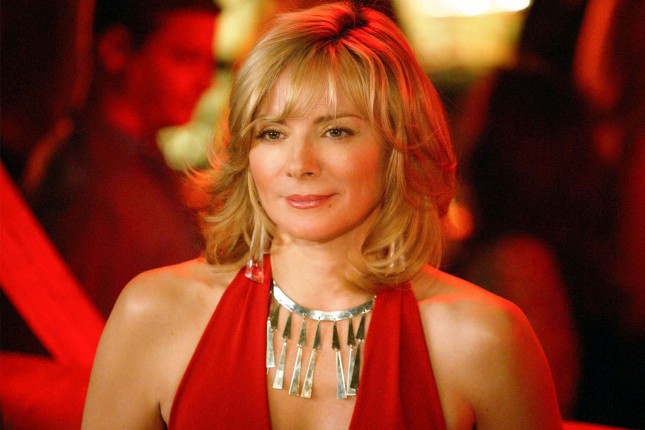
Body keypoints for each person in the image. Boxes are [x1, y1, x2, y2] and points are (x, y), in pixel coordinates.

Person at [82, 2, 562, 428]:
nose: (299, 164)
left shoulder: (486, 338)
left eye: (336, 131)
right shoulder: (154, 313)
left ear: (398, 146)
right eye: (272, 133)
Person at [28, 0, 221, 317]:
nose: (206, 82)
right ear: (116, 50)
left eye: (208, 61)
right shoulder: (90, 184)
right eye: (185, 57)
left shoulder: (142, 161)